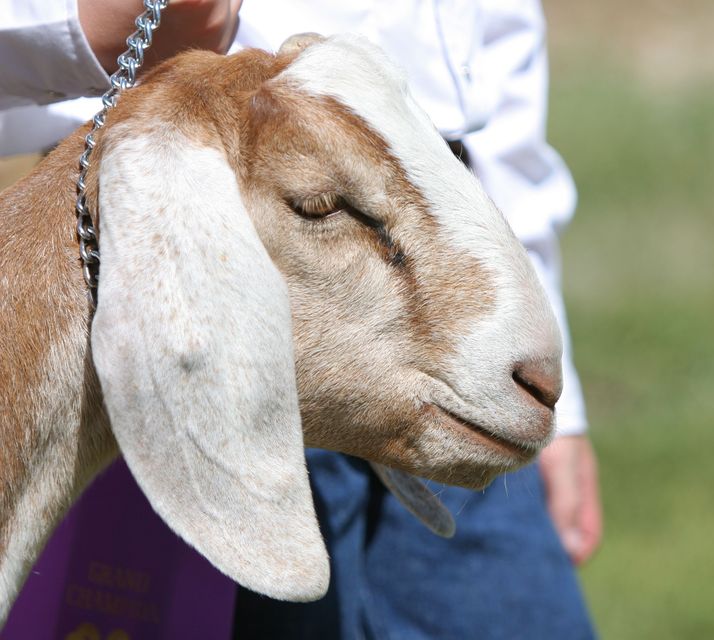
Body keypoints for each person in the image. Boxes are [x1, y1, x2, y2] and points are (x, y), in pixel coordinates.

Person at [0, 1, 602, 637]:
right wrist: (79, 27)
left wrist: (562, 377)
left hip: (443, 336)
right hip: (187, 301)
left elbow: (495, 37)